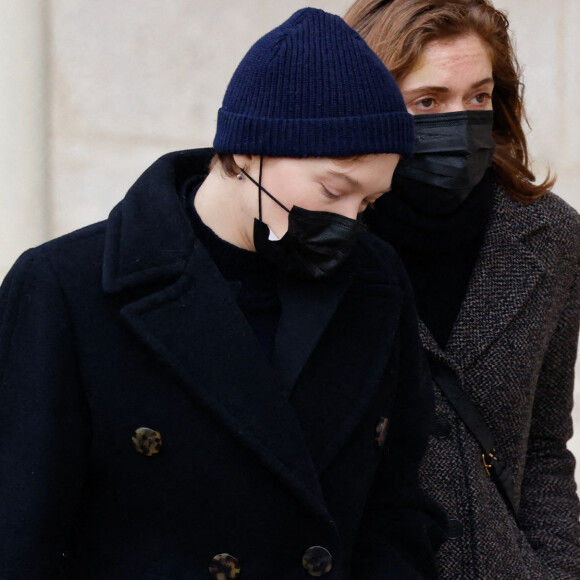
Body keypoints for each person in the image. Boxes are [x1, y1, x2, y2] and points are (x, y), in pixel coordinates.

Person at [0, 8, 447, 579]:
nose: (348, 221)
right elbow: (19, 534)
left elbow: (396, 507)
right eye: (334, 189)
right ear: (243, 152)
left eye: (367, 204)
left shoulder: (376, 282)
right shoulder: (65, 287)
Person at [344, 0, 580, 578]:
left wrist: (556, 566)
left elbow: (544, 442)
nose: (460, 119)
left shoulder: (550, 236)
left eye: (477, 97)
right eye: (428, 102)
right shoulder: (327, 236)